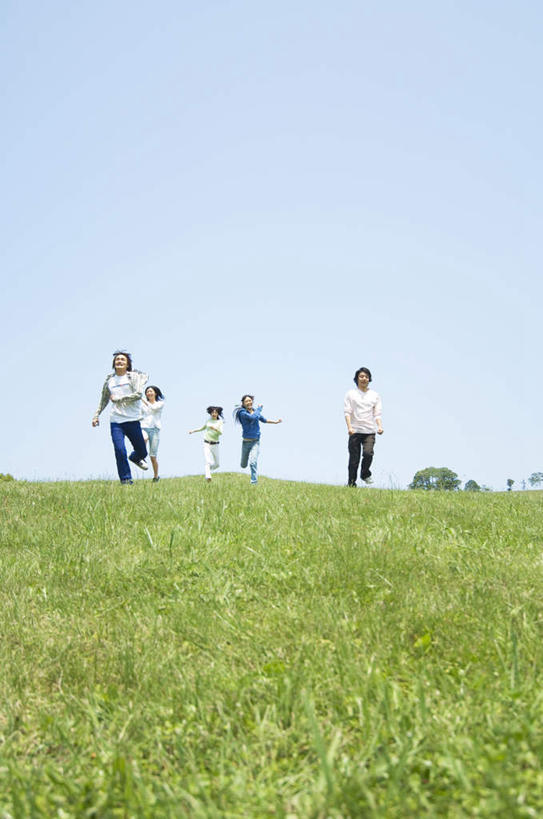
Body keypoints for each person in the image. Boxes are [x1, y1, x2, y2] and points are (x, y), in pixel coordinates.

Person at [92, 351, 149, 484]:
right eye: (117, 359)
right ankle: (126, 480)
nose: (119, 361)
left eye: (123, 360)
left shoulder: (133, 377)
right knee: (119, 450)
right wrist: (96, 415)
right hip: (116, 421)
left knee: (142, 451)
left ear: (127, 364)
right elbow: (104, 399)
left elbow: (138, 394)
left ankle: (135, 457)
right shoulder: (110, 380)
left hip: (133, 420)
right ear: (114, 363)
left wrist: (119, 399)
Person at [344, 366, 383, 487]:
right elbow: (347, 412)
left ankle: (365, 473)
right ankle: (351, 483)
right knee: (354, 459)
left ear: (369, 379)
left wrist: (380, 427)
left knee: (368, 453)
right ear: (357, 379)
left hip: (369, 431)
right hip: (355, 430)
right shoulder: (351, 394)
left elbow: (377, 414)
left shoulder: (375, 395)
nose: (364, 379)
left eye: (366, 377)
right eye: (361, 376)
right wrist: (349, 427)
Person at [233, 395, 282, 484]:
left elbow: (263, 420)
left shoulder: (255, 412)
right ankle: (244, 465)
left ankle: (254, 482)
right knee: (243, 465)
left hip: (255, 442)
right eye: (246, 401)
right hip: (246, 442)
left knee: (253, 462)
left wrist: (275, 422)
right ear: (243, 403)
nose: (249, 402)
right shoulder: (242, 413)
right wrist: (259, 409)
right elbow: (252, 418)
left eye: (250, 400)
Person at [188, 406, 224, 481]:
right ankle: (208, 476)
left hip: (215, 444)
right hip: (206, 443)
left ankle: (207, 469)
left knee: (217, 464)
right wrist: (193, 431)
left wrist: (215, 429)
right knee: (207, 461)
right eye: (212, 412)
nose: (214, 414)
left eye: (215, 412)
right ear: (210, 413)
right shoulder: (208, 421)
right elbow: (202, 428)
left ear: (218, 413)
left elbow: (221, 433)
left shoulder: (220, 422)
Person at [141, 385, 165, 482]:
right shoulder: (142, 405)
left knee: (153, 456)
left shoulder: (160, 403)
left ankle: (156, 476)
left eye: (151, 391)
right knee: (144, 439)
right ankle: (141, 457)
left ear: (155, 393)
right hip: (144, 427)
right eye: (147, 392)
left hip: (155, 429)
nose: (149, 393)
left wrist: (142, 399)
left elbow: (153, 408)